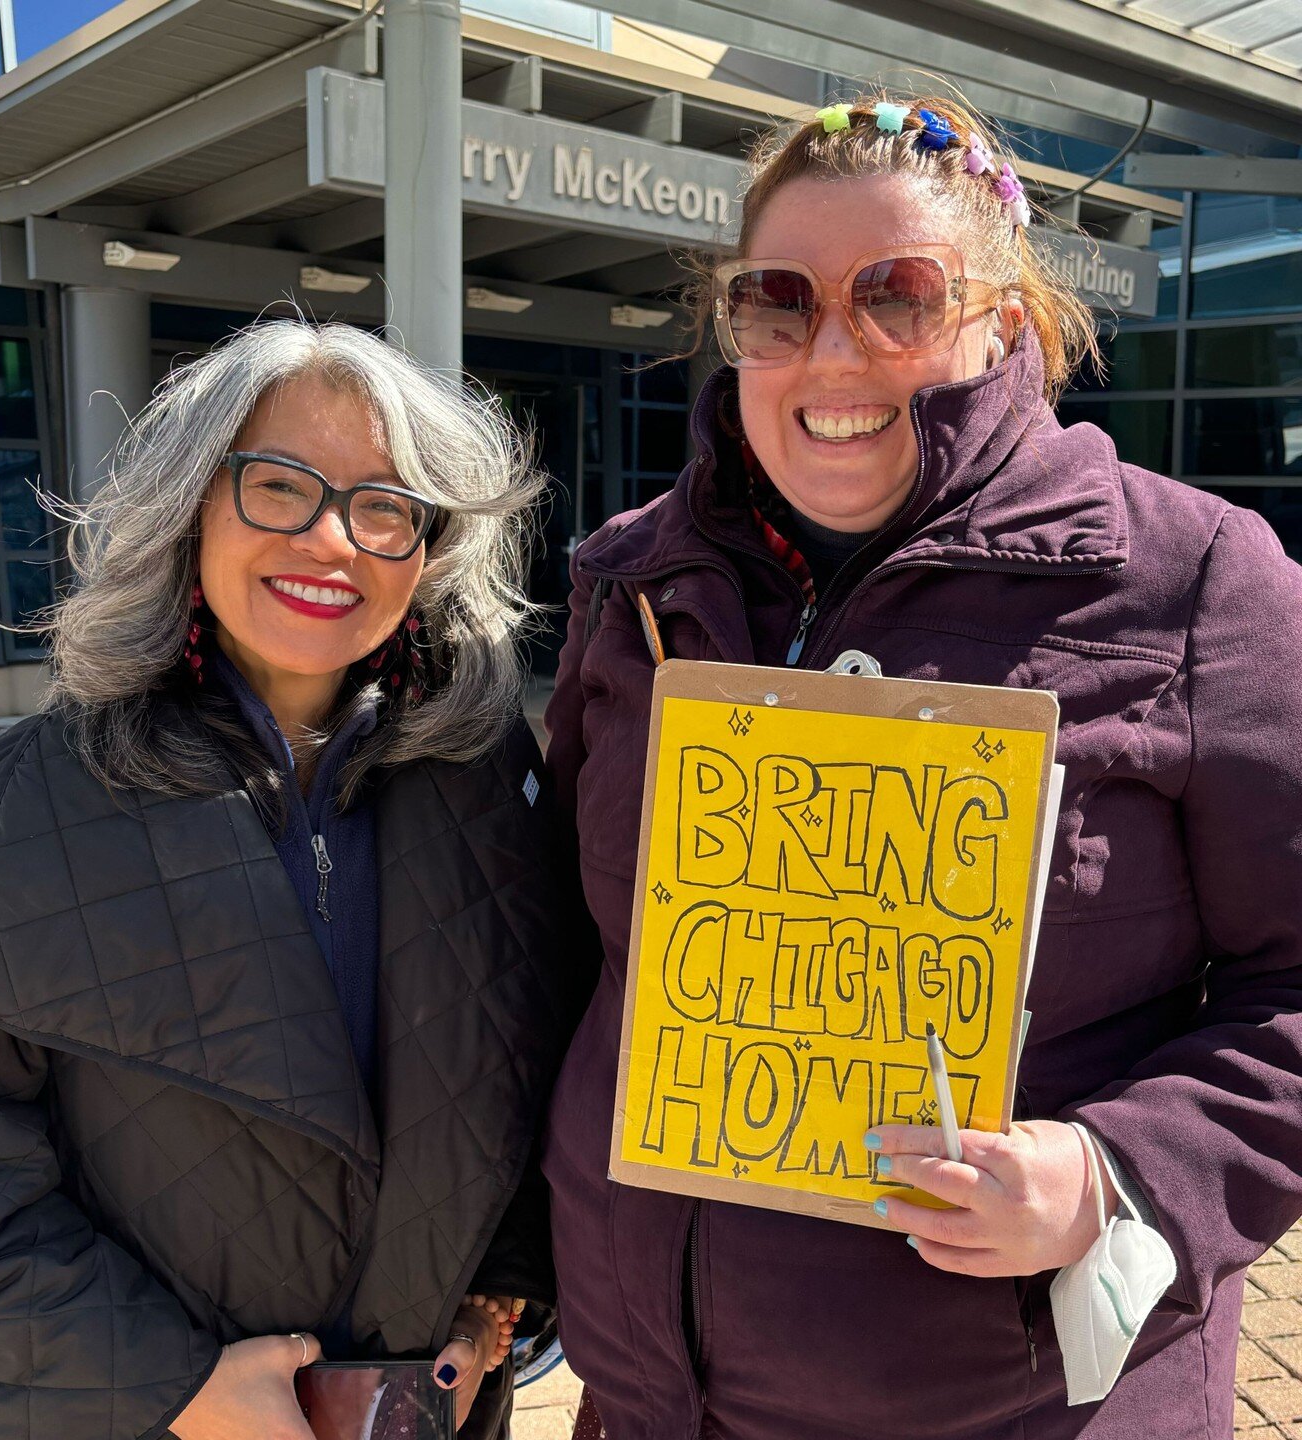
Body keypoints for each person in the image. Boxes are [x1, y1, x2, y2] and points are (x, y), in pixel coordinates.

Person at [542, 91, 1302, 1438]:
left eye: (899, 296)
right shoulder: (634, 578)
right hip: (654, 1403)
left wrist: (1113, 1178)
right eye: (780, 303)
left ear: (1002, 324)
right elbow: (558, 961)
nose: (834, 355)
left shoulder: (1194, 582)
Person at [0, 319, 584, 1440]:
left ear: (430, 549)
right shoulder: (12, 809)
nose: (332, 539)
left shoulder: (490, 790)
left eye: (385, 505)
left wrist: (498, 1297)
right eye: (278, 485)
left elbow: (540, 1078)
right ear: (190, 503)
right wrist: (177, 1390)